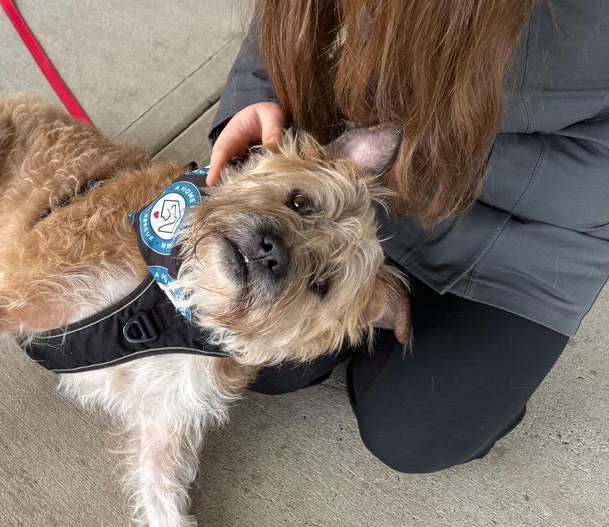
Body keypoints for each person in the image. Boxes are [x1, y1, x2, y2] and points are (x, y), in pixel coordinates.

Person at [208, 0, 609, 473]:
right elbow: (296, 14)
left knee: (416, 436)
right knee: (244, 353)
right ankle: (346, 307)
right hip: (359, 167)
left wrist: (432, 160)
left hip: (542, 220)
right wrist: (259, 94)